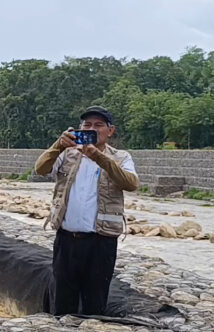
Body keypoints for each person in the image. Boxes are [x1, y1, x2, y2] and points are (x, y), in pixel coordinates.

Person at [34, 106, 139, 316]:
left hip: (101, 242)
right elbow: (41, 168)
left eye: (98, 125)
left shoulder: (120, 157)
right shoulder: (67, 154)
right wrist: (58, 145)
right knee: (63, 298)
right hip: (67, 240)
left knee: (96, 299)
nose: (92, 128)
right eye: (87, 125)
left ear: (110, 131)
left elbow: (131, 183)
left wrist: (99, 157)